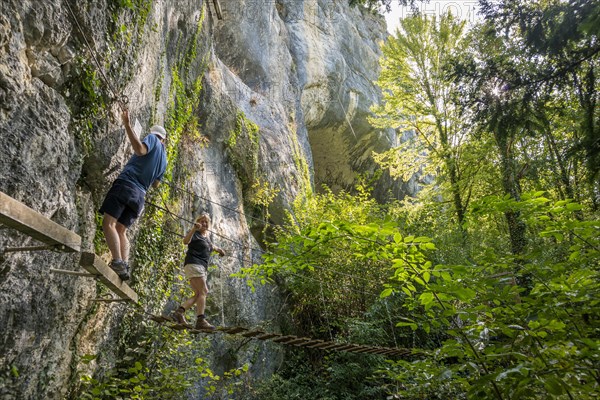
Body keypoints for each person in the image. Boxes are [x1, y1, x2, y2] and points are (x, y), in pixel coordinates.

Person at [99, 109, 167, 281]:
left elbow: (140, 150)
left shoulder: (152, 139)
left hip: (126, 185)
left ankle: (117, 261)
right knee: (122, 230)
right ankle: (124, 266)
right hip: (140, 197)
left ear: (155, 135)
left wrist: (127, 125)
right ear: (164, 139)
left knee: (109, 223)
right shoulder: (164, 160)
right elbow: (157, 184)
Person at [172, 213, 226, 330]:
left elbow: (211, 246)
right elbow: (185, 241)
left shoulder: (206, 237)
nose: (204, 224)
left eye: (206, 222)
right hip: (194, 264)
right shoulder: (195, 233)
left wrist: (219, 250)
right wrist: (193, 228)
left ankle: (179, 312)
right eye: (202, 221)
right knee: (204, 291)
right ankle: (200, 320)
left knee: (198, 294)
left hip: (197, 266)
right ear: (198, 223)